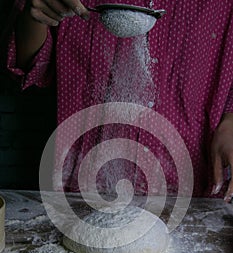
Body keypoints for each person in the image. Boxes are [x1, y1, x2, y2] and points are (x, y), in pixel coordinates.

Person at [5, 0, 233, 201]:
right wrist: (34, 15)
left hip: (187, 191)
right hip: (82, 191)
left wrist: (231, 119)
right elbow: (29, 67)